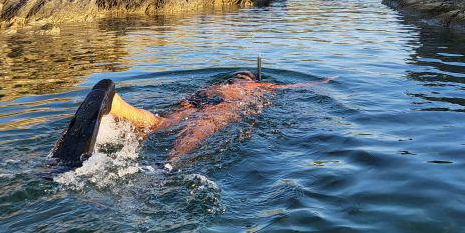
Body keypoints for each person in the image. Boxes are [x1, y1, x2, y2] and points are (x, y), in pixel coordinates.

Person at [50, 71, 331, 169]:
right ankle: (168, 164)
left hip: (197, 100)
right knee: (199, 131)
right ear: (250, 79)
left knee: (160, 123)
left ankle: (119, 106)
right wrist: (323, 82)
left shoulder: (214, 85)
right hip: (224, 106)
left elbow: (188, 100)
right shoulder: (255, 87)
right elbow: (291, 88)